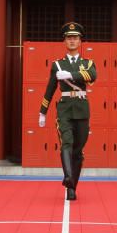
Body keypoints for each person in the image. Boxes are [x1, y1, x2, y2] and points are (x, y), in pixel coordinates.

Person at [38, 22, 97, 201]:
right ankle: (68, 178)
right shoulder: (57, 64)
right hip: (64, 108)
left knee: (78, 151)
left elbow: (92, 76)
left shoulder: (87, 63)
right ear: (64, 41)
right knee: (66, 143)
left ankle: (73, 186)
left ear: (80, 41)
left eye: (75, 38)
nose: (72, 41)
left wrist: (71, 75)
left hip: (81, 108)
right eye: (69, 38)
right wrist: (43, 111)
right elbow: (50, 88)